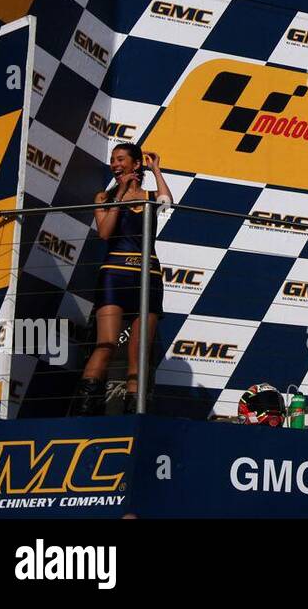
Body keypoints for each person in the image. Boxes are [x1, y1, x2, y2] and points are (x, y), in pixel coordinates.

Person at [72, 143, 173, 416]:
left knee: (139, 353)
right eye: (112, 160)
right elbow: (105, 233)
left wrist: (156, 170)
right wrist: (121, 194)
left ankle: (133, 415)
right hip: (114, 276)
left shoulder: (151, 196)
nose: (115, 164)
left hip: (148, 276)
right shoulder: (103, 197)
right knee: (105, 344)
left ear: (135, 164)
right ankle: (84, 412)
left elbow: (168, 202)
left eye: (120, 159)